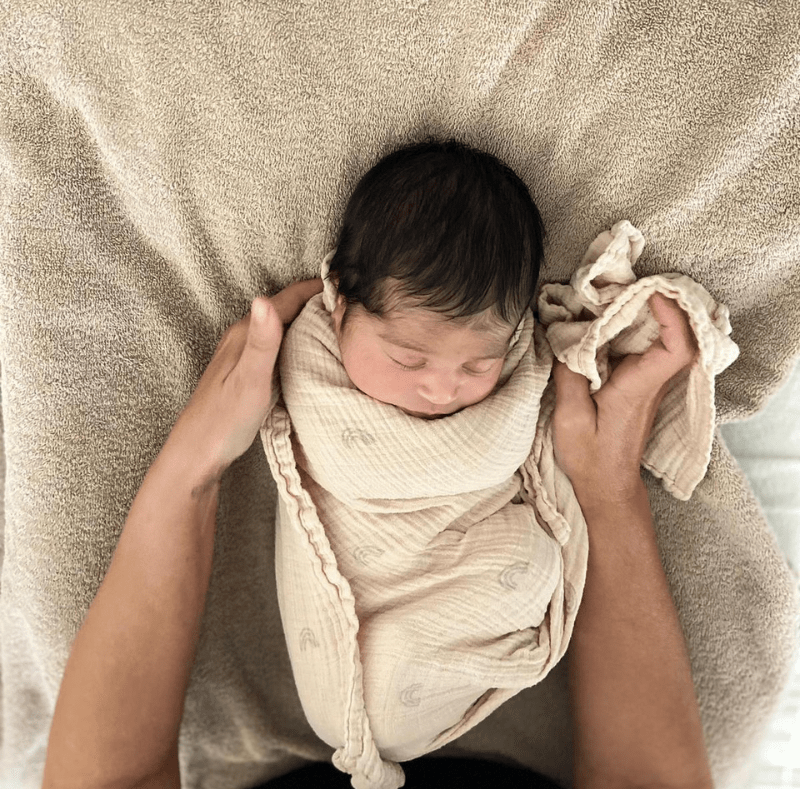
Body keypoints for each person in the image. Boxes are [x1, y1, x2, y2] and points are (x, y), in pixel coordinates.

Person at [42, 139, 714, 789]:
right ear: (340, 302)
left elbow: (113, 778)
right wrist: (607, 494)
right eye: (407, 359)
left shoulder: (508, 365)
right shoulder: (321, 354)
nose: (443, 389)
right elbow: (647, 780)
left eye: (477, 365)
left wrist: (194, 467)